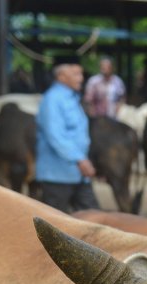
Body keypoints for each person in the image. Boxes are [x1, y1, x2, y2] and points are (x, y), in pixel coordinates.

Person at [36, 59, 99, 213]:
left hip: (78, 175)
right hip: (57, 176)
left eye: (81, 74)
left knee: (93, 218)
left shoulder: (73, 98)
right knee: (55, 226)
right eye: (76, 74)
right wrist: (80, 159)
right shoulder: (52, 99)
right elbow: (55, 135)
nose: (81, 78)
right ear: (61, 76)